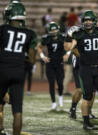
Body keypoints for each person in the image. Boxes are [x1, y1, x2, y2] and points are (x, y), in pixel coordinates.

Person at [64, 10, 98, 130]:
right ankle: (86, 122)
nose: (87, 22)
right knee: (87, 96)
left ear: (94, 21)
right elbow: (68, 47)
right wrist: (68, 36)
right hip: (85, 69)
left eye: (90, 20)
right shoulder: (79, 33)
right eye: (85, 20)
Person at [0, 1, 38, 135]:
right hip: (19, 71)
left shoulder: (2, 29)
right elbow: (32, 60)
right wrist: (20, 58)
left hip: (3, 69)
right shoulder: (30, 33)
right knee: (17, 111)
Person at [37, 22, 65, 110]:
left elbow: (70, 46)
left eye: (55, 29)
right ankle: (53, 102)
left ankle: (60, 97)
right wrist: (42, 56)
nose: (54, 31)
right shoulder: (46, 38)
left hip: (59, 63)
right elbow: (39, 47)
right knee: (51, 83)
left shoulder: (63, 37)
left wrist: (67, 54)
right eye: (52, 30)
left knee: (60, 83)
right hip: (50, 63)